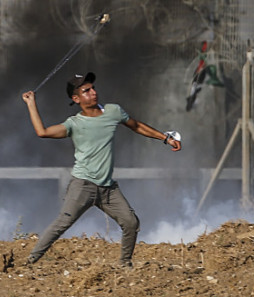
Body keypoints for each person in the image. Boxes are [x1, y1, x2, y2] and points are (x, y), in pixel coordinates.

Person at [20, 72, 182, 268]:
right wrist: (31, 103)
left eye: (93, 88)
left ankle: (124, 265)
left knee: (131, 222)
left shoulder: (113, 111)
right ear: (76, 99)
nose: (93, 92)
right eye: (86, 91)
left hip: (108, 189)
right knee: (62, 224)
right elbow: (42, 132)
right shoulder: (74, 123)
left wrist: (165, 138)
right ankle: (28, 262)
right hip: (82, 186)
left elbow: (137, 125)